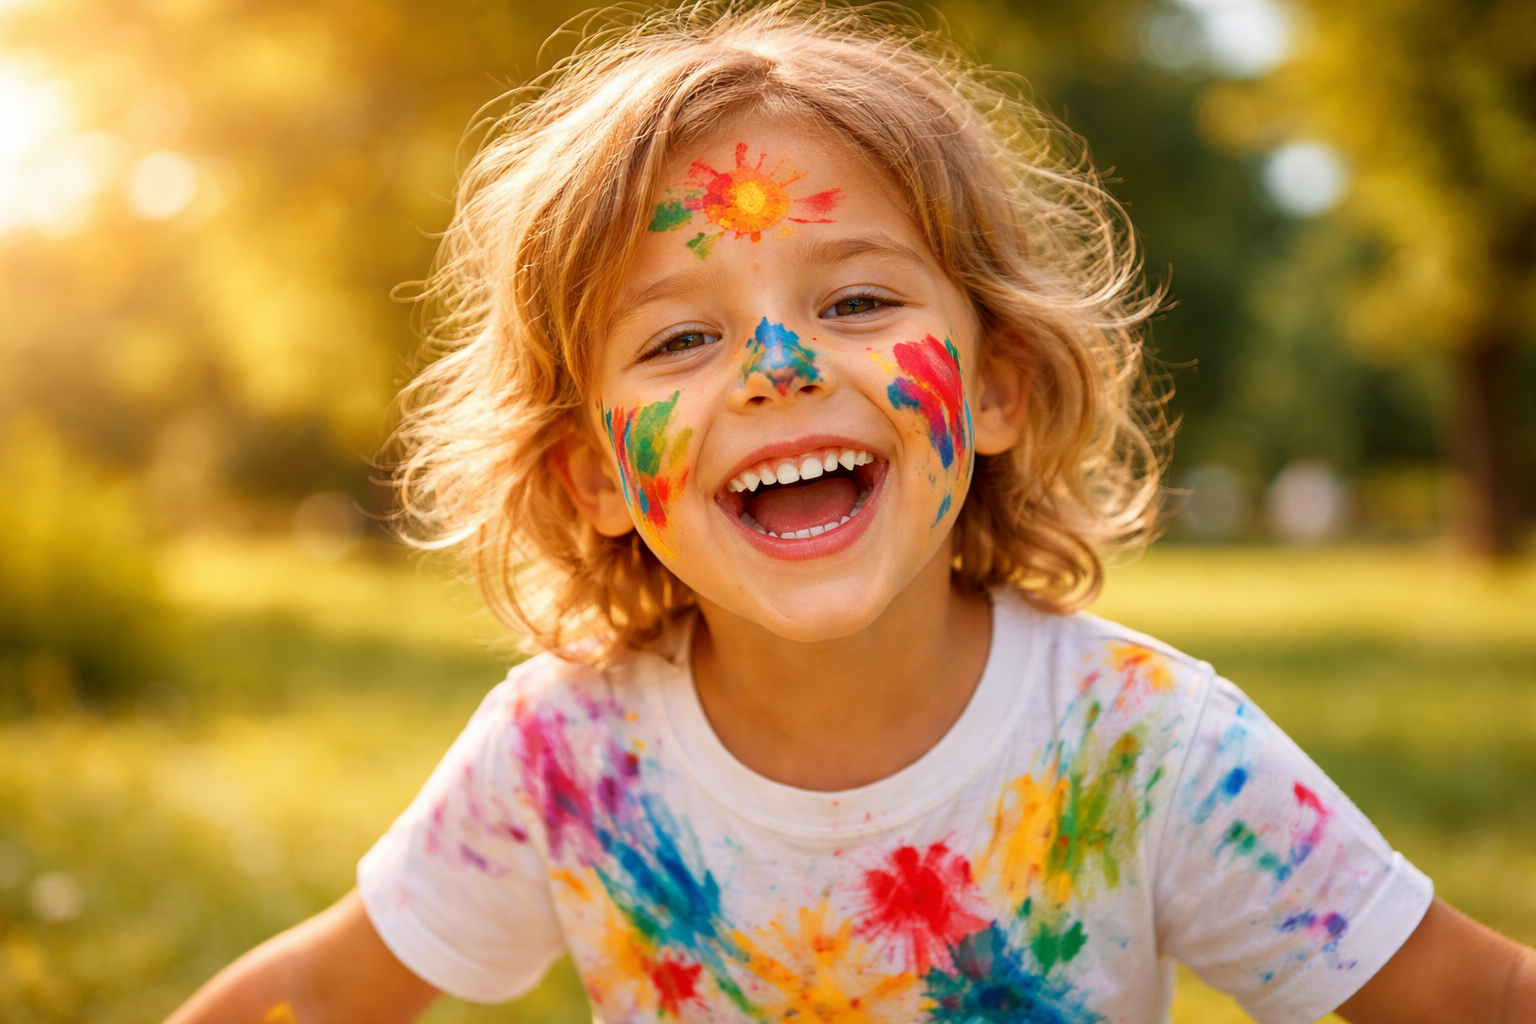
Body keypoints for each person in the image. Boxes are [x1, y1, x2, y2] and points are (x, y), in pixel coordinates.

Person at [167, 4, 1536, 1023]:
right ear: (592, 474)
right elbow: (320, 990)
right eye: (679, 338)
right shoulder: (566, 757)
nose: (777, 368)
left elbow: (1466, 997)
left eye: (859, 301)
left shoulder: (1141, 747)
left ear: (996, 388)